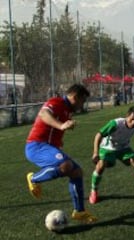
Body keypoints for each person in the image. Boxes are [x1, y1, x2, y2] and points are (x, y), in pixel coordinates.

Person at [25, 84, 97, 224]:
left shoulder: (68, 110)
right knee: (66, 165)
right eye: (83, 100)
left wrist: (58, 142)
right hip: (36, 146)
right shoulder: (56, 102)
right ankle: (33, 178)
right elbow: (43, 114)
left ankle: (79, 211)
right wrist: (61, 125)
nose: (83, 104)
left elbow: (52, 132)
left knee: (76, 172)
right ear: (75, 97)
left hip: (48, 147)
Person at [88, 106, 134, 204]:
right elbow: (98, 135)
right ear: (127, 116)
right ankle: (94, 191)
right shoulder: (115, 123)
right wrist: (95, 152)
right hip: (107, 148)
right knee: (101, 165)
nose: (133, 123)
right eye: (132, 120)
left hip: (123, 148)